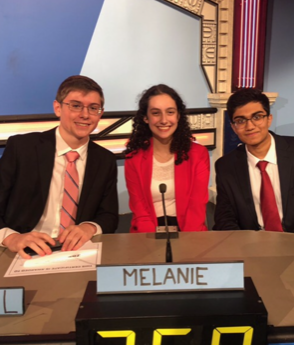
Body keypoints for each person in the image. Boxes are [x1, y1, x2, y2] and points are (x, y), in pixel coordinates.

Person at [0, 75, 118, 258]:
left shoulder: (105, 160)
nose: (85, 115)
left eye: (93, 108)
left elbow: (109, 215)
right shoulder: (22, 148)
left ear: (100, 114)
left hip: (78, 253)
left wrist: (89, 227)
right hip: (24, 253)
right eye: (76, 105)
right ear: (58, 108)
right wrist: (11, 238)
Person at [124, 84, 210, 233]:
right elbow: (140, 211)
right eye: (156, 113)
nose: (164, 120)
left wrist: (186, 246)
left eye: (170, 112)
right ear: (146, 117)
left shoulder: (198, 154)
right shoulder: (133, 159)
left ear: (178, 116)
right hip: (147, 232)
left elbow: (196, 208)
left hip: (190, 232)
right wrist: (153, 247)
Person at [213, 88, 294, 231]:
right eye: (241, 120)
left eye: (257, 117)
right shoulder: (226, 166)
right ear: (233, 127)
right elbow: (225, 219)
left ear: (269, 119)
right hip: (250, 247)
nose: (250, 126)